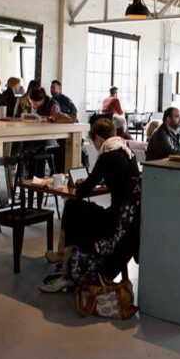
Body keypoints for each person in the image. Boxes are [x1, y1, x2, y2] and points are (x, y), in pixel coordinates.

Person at [40, 119, 141, 292]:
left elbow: (84, 191)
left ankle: (65, 266)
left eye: (93, 142)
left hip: (114, 223)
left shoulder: (107, 156)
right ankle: (63, 257)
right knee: (80, 208)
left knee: (73, 206)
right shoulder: (127, 152)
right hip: (128, 223)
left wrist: (79, 184)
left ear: (98, 138)